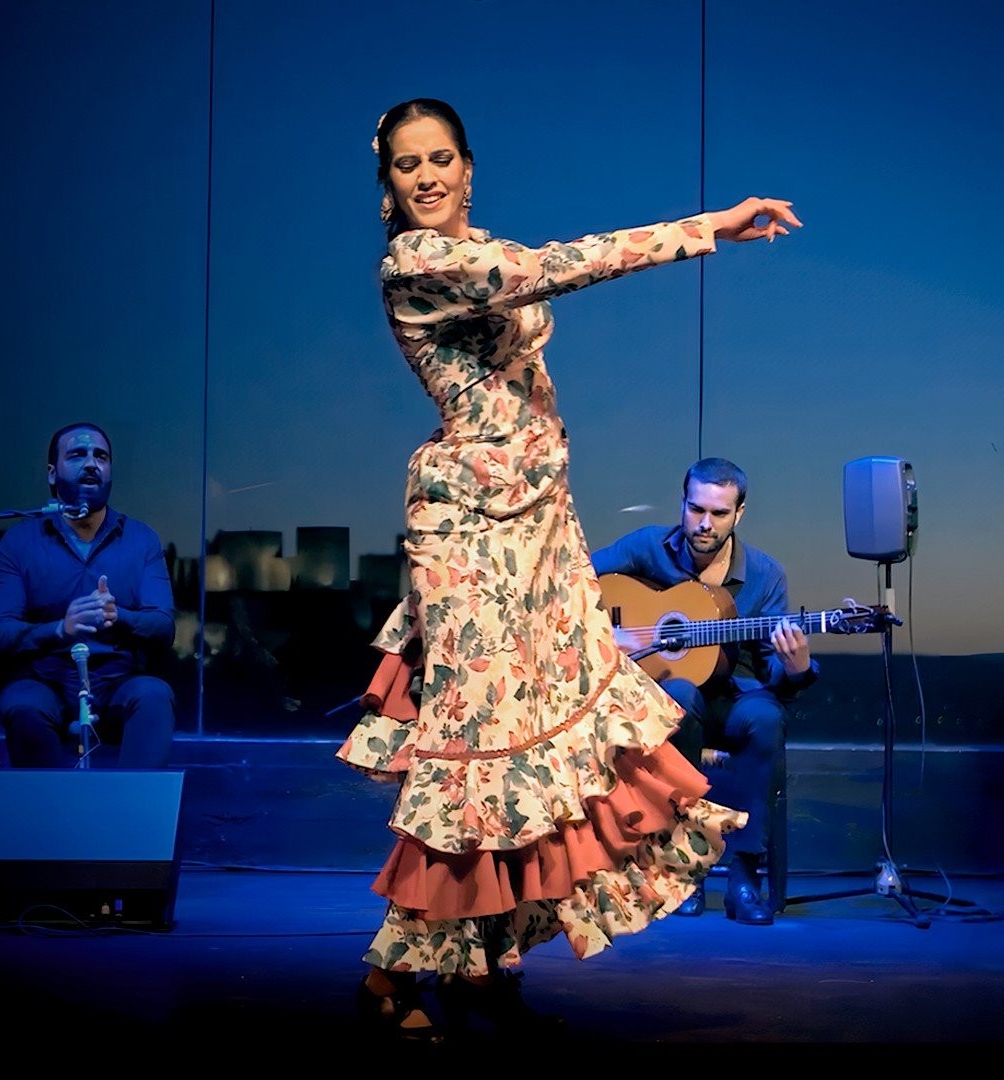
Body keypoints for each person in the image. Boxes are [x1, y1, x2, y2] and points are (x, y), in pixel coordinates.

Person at [334, 98, 800, 1042]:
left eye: (440, 160)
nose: (423, 178)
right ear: (387, 185)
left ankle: (484, 962)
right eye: (404, 165)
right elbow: (559, 268)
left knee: (541, 756)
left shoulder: (474, 245)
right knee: (476, 751)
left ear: (469, 167)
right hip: (472, 532)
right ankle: (397, 971)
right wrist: (705, 226)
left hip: (541, 529)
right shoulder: (419, 264)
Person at [590, 457, 818, 926]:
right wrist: (607, 636)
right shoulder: (647, 548)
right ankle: (683, 870)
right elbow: (576, 580)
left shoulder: (764, 575)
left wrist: (795, 668)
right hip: (674, 698)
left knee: (767, 717)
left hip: (736, 699)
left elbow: (773, 667)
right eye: (696, 510)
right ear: (683, 502)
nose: (704, 523)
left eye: (718, 513)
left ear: (739, 514)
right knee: (679, 694)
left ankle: (743, 875)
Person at [0, 422, 178, 769]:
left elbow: (163, 626)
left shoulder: (141, 539)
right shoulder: (19, 543)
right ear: (52, 473)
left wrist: (118, 617)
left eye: (100, 456)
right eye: (78, 454)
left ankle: (131, 817)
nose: (92, 463)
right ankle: (47, 817)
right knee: (21, 702)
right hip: (47, 685)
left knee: (154, 695)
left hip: (117, 683)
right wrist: (60, 629)